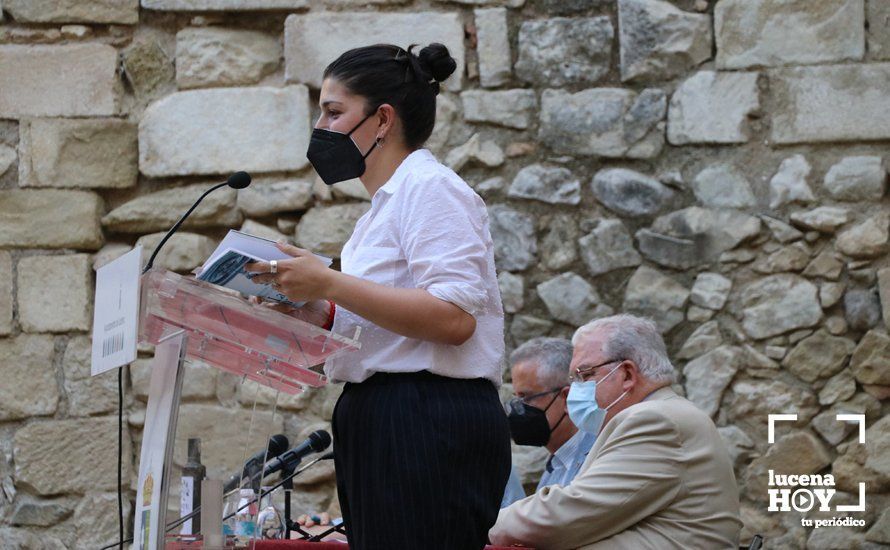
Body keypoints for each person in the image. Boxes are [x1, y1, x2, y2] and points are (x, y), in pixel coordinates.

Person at [246, 43, 510, 550]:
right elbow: (384, 327)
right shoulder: (378, 214)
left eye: (333, 111)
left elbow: (454, 319)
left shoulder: (431, 189)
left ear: (383, 119)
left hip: (425, 416)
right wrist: (315, 309)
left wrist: (328, 282)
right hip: (383, 412)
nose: (320, 126)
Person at [490, 314, 742, 549]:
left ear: (628, 374)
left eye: (585, 375)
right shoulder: (660, 415)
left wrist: (483, 527)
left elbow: (569, 513)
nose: (575, 390)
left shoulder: (654, 420)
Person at [502, 337, 596, 506]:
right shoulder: (557, 464)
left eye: (527, 398)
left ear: (567, 398)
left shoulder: (596, 461)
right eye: (517, 398)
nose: (518, 409)